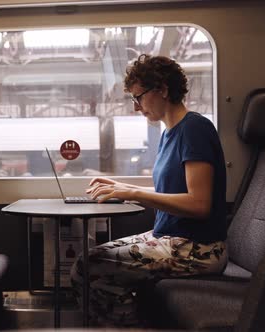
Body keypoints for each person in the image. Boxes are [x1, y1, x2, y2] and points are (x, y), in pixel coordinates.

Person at [70, 54, 228, 327]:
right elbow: (171, 189)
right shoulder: (170, 133)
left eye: (138, 97)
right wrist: (124, 187)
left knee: (87, 267)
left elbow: (199, 203)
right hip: (172, 237)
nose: (136, 107)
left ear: (162, 90)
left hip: (198, 249)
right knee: (91, 261)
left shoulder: (195, 129)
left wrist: (135, 194)